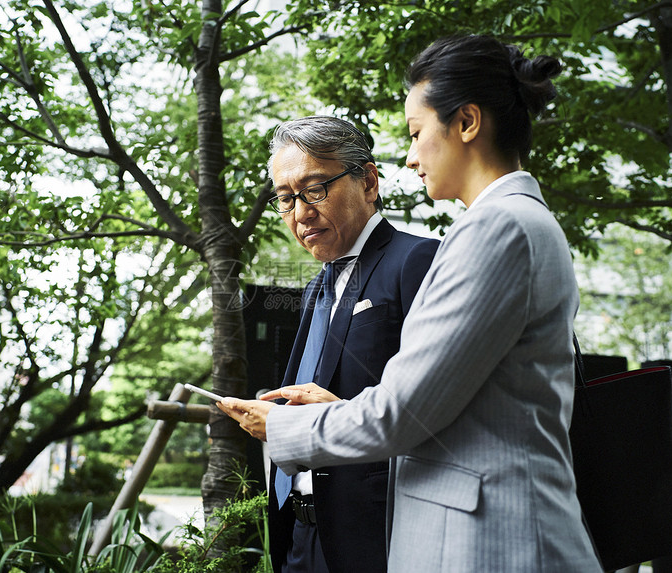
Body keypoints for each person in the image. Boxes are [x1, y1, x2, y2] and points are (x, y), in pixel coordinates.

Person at [218, 35, 603, 572]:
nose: (411, 155)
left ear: (467, 123)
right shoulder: (508, 223)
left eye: (417, 133)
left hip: (487, 542)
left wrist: (281, 427)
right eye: (285, 199)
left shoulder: (497, 230)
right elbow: (455, 403)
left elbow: (404, 410)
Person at [260, 116, 439, 573]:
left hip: (375, 535)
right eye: (285, 199)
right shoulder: (317, 286)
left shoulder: (418, 260)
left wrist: (334, 411)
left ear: (369, 181)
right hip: (300, 536)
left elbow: (435, 409)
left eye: (315, 189)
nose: (300, 213)